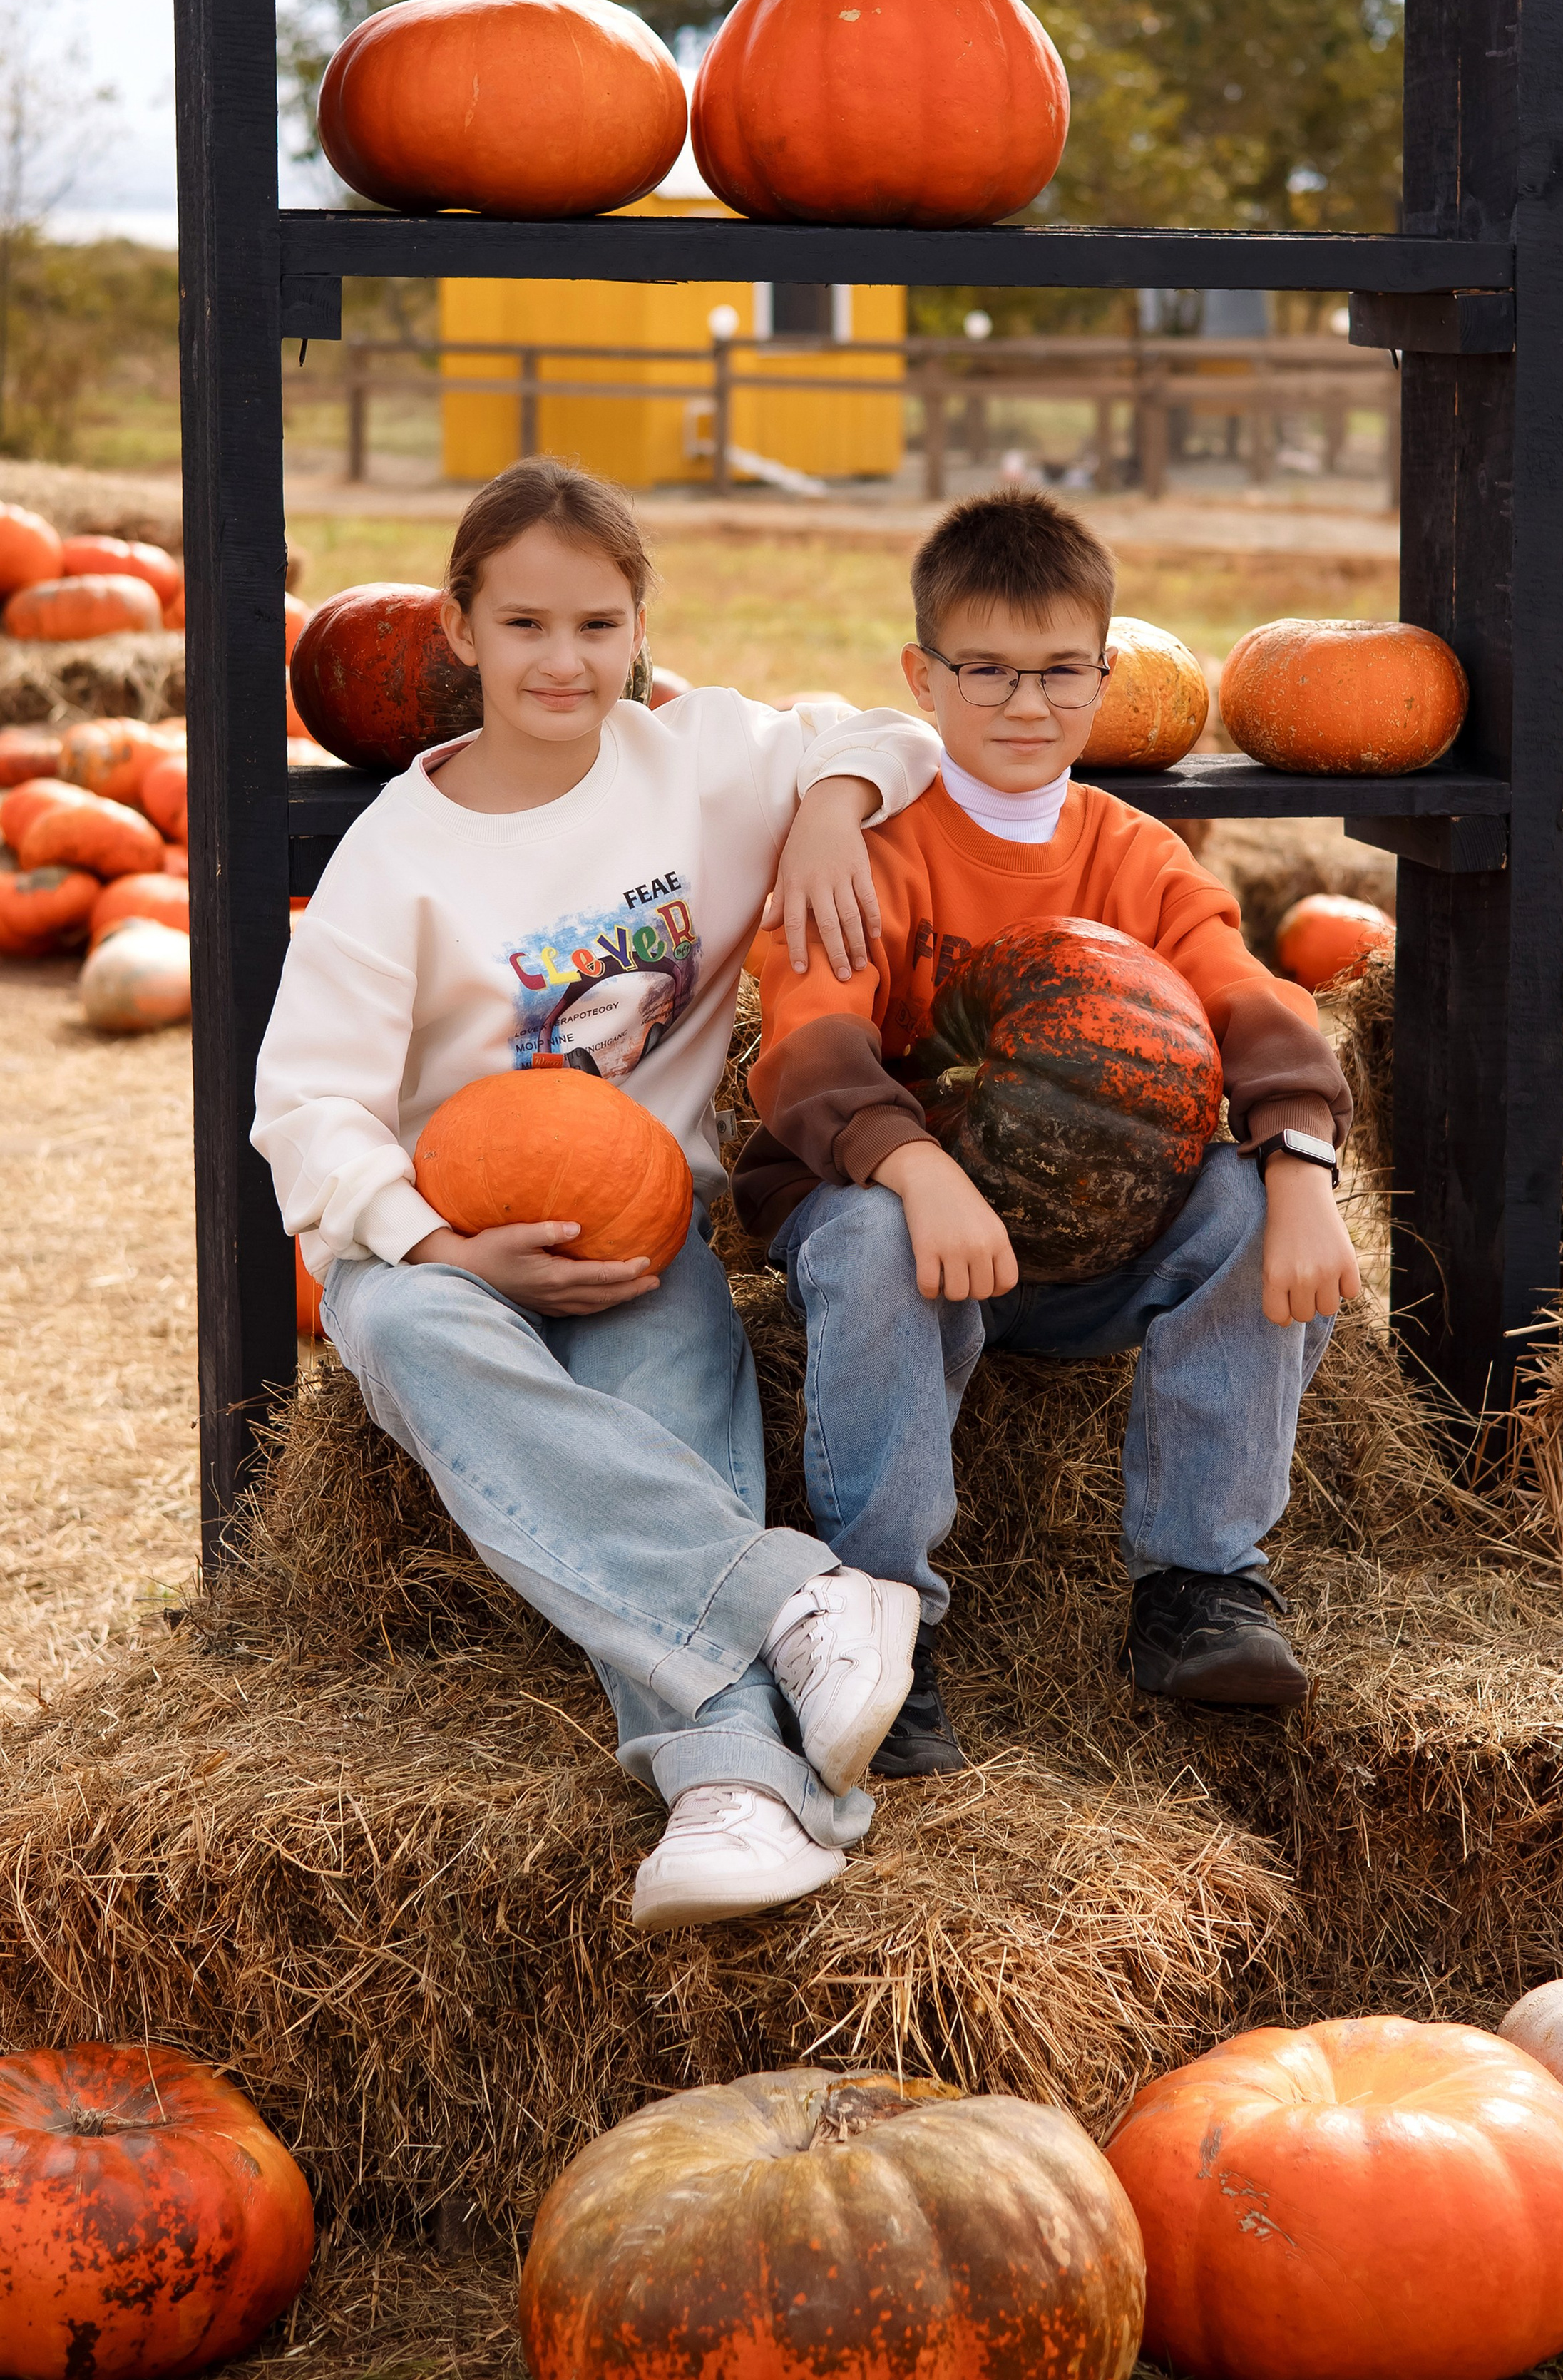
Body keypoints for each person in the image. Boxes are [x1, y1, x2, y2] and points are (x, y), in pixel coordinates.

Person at [254, 457, 945, 1929]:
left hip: (637, 1221)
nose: (561, 661)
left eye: (595, 626)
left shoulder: (697, 760)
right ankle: (800, 1608)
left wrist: (828, 801)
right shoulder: (402, 853)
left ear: (639, 628)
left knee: (666, 1393)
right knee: (408, 1333)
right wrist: (437, 1241)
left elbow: (890, 730)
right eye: (522, 627)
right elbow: (305, 1101)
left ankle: (733, 1793)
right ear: (458, 630)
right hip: (444, 1228)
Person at [735, 485, 1360, 1775]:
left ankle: (1200, 1588)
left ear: (1106, 672)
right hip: (896, 1218)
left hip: (1085, 1245)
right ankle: (879, 1623)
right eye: (989, 671)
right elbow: (804, 1045)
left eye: (1061, 672)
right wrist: (915, 1165)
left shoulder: (1135, 858)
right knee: (864, 1239)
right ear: (923, 674)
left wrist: (1301, 1159)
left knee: (1243, 1206)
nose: (1028, 704)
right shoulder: (872, 853)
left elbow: (1246, 994)